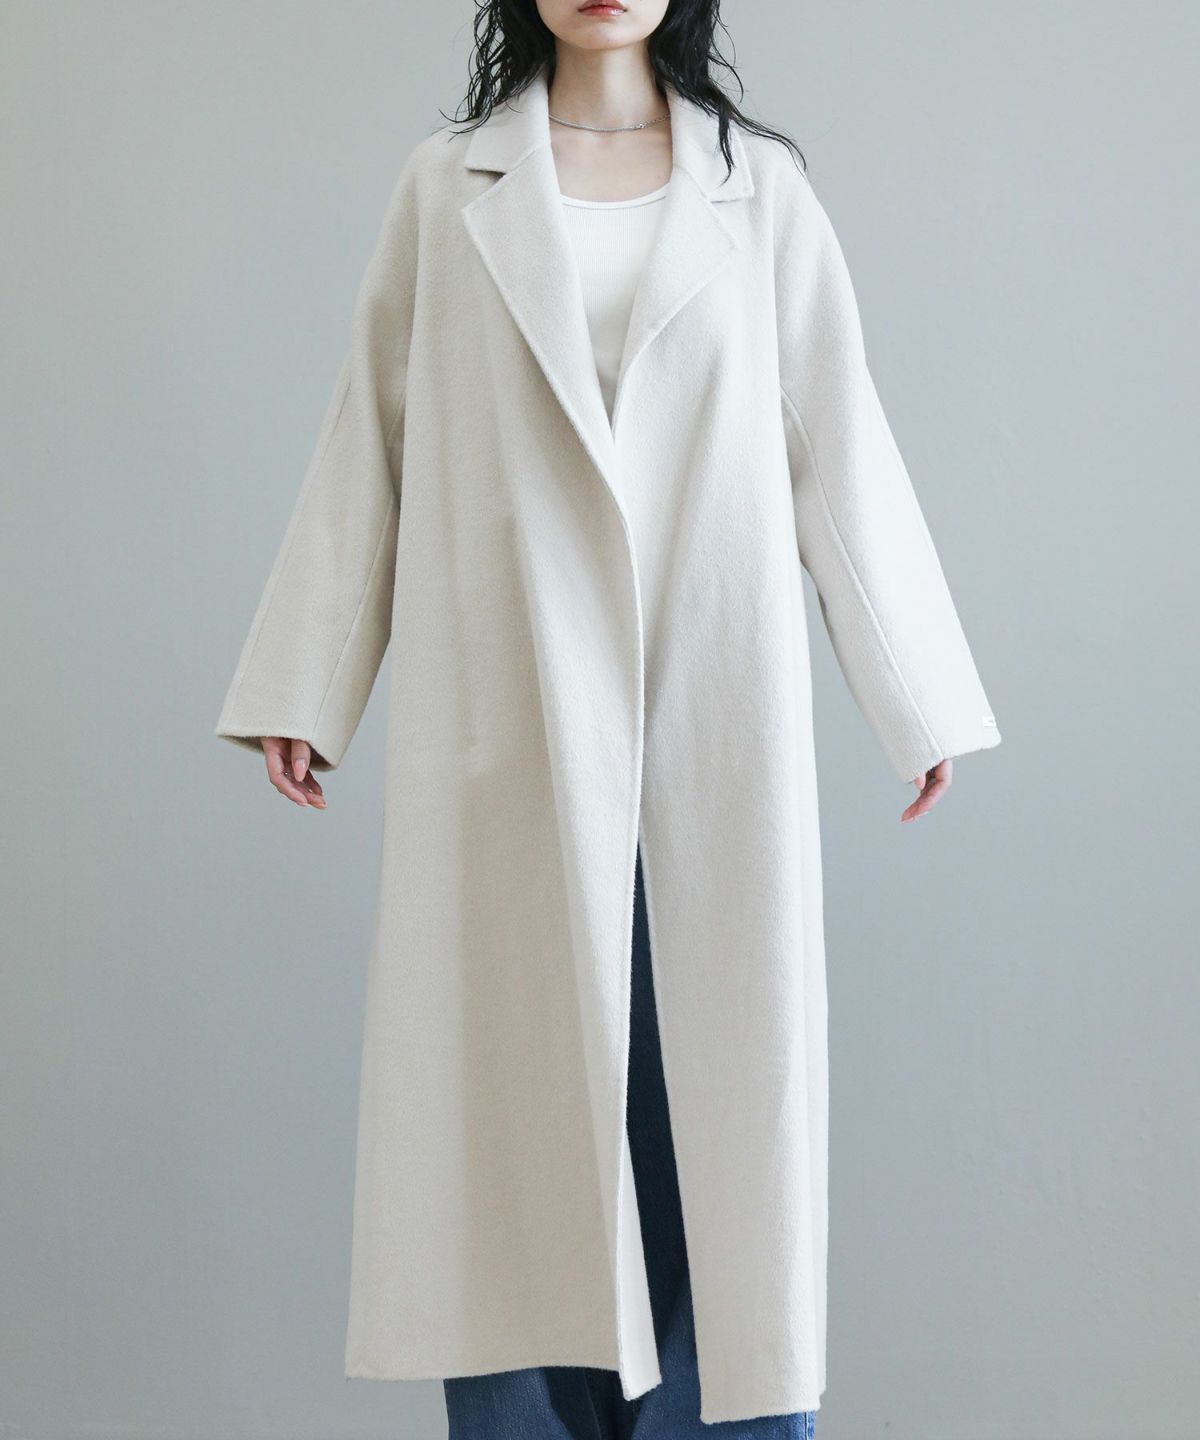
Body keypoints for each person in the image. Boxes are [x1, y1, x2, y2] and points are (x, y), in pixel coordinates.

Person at [215, 2, 1001, 1435]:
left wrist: (917, 691)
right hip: (509, 709)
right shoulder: (447, 187)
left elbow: (835, 435)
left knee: (712, 1125)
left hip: (709, 707)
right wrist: (306, 683)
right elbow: (375, 430)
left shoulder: (756, 190)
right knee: (514, 1125)